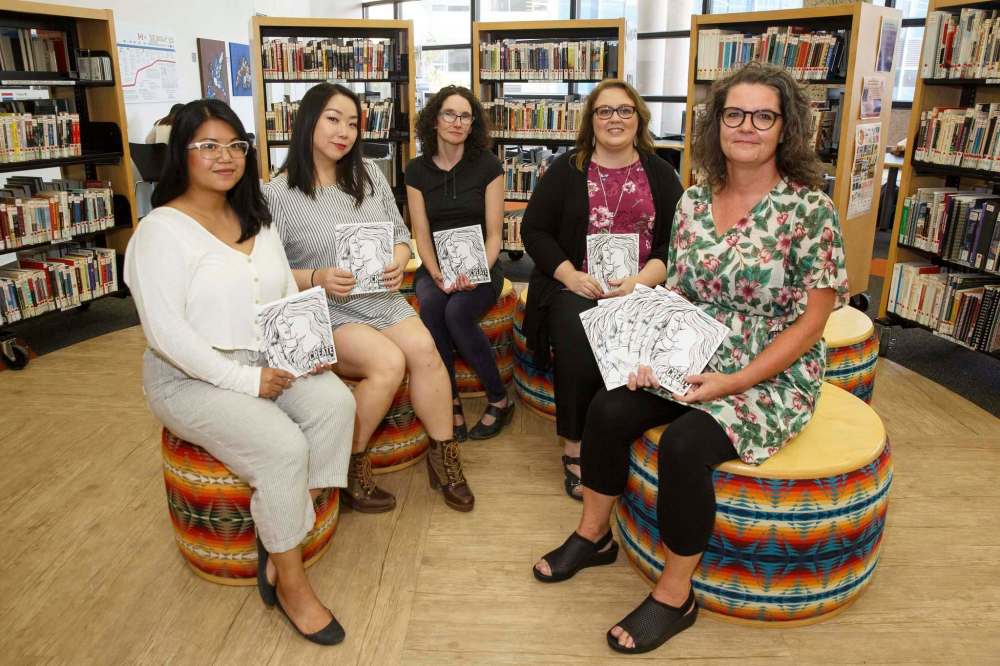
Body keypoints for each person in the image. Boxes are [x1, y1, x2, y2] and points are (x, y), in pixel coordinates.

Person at [531, 62, 850, 655]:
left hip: (770, 373)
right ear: (716, 125)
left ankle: (676, 596)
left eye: (763, 116)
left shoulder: (810, 211)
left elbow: (812, 321)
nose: (746, 127)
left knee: (684, 446)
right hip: (693, 348)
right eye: (734, 114)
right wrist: (651, 351)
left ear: (786, 128)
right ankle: (594, 535)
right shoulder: (696, 201)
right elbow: (678, 289)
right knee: (607, 408)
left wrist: (734, 380)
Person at [124, 99, 354, 646]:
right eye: (207, 146)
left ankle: (283, 535)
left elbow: (277, 294)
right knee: (280, 447)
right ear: (180, 155)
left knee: (336, 405)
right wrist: (247, 383)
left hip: (266, 355)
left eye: (234, 145)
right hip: (190, 376)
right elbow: (167, 336)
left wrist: (306, 348)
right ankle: (290, 579)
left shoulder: (255, 214)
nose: (224, 157)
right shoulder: (160, 232)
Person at [265, 83, 474, 512]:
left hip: (380, 298)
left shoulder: (369, 175)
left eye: (353, 123)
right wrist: (316, 277)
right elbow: (265, 275)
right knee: (388, 363)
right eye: (333, 119)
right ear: (307, 122)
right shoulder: (276, 194)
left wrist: (399, 259)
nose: (344, 131)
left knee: (426, 352)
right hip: (327, 311)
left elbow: (399, 234)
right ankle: (346, 464)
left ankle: (444, 455)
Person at [520, 79, 684, 499]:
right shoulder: (566, 170)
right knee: (577, 328)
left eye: (625, 110)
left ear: (639, 119)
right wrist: (570, 276)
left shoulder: (661, 173)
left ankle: (625, 428)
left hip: (644, 285)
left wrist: (641, 281)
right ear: (591, 121)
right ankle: (575, 445)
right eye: (605, 111)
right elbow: (534, 230)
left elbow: (680, 240)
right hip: (578, 282)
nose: (615, 119)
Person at [405, 85, 513, 441]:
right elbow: (420, 233)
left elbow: (495, 234)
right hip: (435, 265)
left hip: (483, 263)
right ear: (434, 120)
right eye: (449, 114)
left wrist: (478, 269)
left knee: (457, 313)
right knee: (434, 307)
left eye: (465, 116)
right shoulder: (416, 171)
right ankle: (448, 398)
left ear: (472, 124)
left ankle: (498, 398)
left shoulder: (489, 166)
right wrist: (436, 273)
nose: (457, 122)